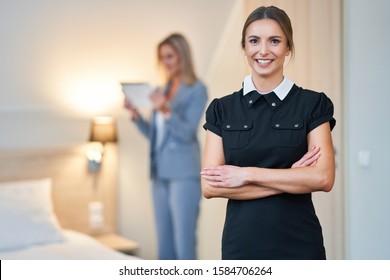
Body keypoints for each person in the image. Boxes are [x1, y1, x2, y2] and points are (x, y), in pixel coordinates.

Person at [201, 6, 336, 260]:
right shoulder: (221, 109)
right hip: (241, 245)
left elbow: (323, 178)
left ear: (288, 47)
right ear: (244, 47)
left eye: (274, 41)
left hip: (299, 244)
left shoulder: (313, 104)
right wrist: (292, 178)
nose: (263, 51)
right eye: (254, 41)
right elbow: (210, 186)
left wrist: (246, 174)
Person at [124, 33, 208, 260]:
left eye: (170, 56)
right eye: (162, 58)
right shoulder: (161, 90)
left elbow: (187, 132)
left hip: (183, 175)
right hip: (159, 174)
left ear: (183, 56)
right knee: (165, 247)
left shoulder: (196, 89)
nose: (166, 62)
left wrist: (165, 110)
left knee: (184, 246)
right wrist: (136, 116)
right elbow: (155, 136)